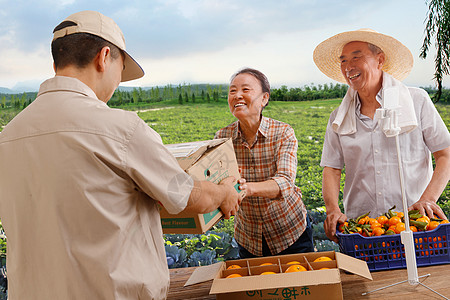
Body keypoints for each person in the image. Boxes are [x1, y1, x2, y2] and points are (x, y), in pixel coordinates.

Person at [0, 10, 241, 299]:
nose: (117, 84)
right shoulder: (120, 129)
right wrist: (224, 192)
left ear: (56, 63)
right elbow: (188, 196)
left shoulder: (8, 136)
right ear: (104, 57)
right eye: (121, 70)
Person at [313, 29, 450, 242]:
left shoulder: (416, 101)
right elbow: (331, 168)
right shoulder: (337, 118)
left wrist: (429, 199)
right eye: (343, 60)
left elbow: (446, 154)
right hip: (363, 228)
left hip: (416, 222)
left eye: (356, 57)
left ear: (380, 60)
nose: (348, 66)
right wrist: (332, 209)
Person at [215, 68, 314, 258]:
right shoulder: (222, 138)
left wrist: (245, 189)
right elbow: (217, 181)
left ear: (264, 98)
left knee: (297, 285)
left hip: (290, 232)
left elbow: (285, 182)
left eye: (245, 89)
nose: (237, 96)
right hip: (249, 238)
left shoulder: (283, 132)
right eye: (232, 91)